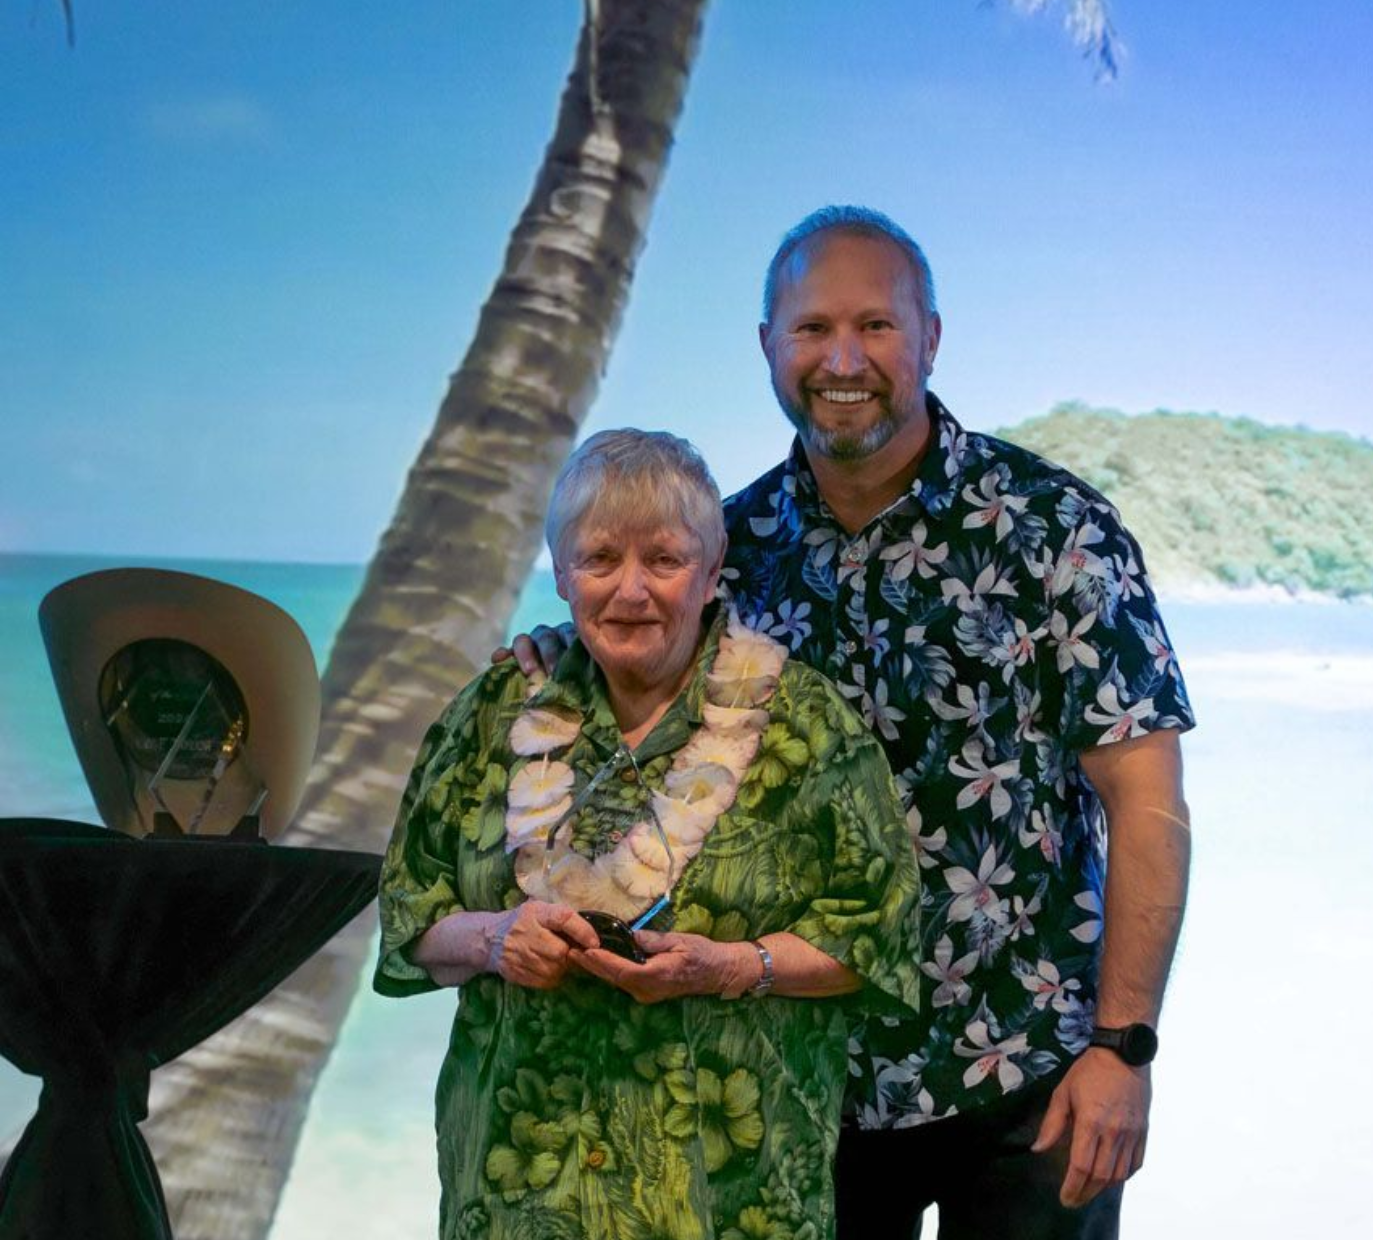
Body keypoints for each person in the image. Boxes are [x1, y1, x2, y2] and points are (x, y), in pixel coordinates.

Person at [510, 206, 1195, 1239]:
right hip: (797, 1081)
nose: (842, 360)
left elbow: (1148, 806)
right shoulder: (728, 548)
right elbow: (633, 668)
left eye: (875, 325)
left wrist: (1123, 1047)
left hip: (1029, 1073)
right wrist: (552, 652)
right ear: (767, 346)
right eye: (812, 328)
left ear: (930, 337)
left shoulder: (1058, 531)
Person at [376, 429, 920, 1240]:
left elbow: (881, 933)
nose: (631, 590)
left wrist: (730, 967)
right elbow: (409, 915)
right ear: (562, 571)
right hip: (519, 1194)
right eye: (600, 559)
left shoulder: (806, 726)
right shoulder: (489, 713)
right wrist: (494, 940)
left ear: (711, 566)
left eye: (663, 560)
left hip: (730, 1201)